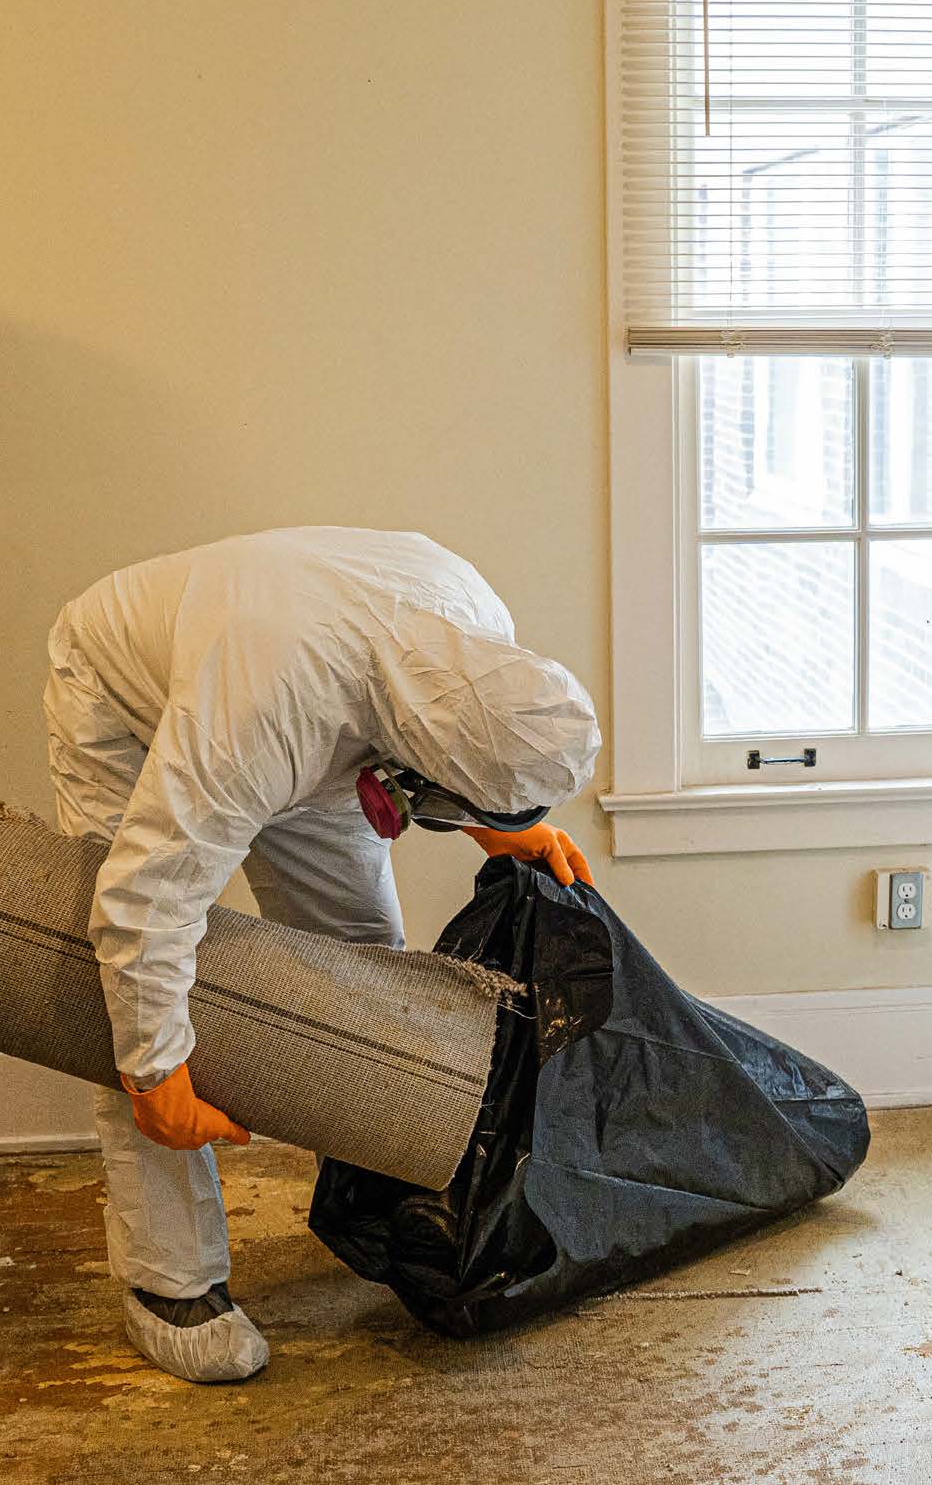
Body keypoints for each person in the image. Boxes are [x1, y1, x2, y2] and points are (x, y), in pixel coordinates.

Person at [42, 526, 600, 1382]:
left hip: (325, 703)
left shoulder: (474, 626)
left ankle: (376, 1206)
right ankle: (170, 1281)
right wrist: (154, 1074)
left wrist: (498, 823)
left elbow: (465, 719)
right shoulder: (258, 718)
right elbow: (144, 905)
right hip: (125, 695)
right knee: (132, 990)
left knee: (363, 965)